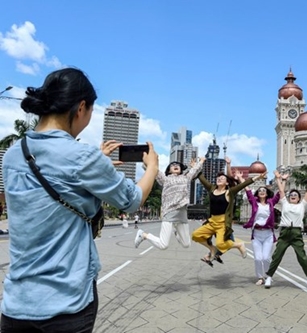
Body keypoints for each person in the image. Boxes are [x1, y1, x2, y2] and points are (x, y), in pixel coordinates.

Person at [0, 68, 159, 332]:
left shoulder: (13, 154)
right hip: (66, 304)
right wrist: (151, 167)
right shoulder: (82, 158)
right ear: (81, 107)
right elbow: (131, 200)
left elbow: (56, 184)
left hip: (16, 304)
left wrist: (97, 163)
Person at [192, 169, 267, 266]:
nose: (219, 179)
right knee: (195, 235)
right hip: (211, 222)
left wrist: (257, 177)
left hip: (222, 223)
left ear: (227, 183)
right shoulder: (211, 189)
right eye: (218, 178)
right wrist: (195, 167)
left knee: (221, 244)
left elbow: (243, 185)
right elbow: (201, 178)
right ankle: (212, 249)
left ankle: (239, 244)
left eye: (222, 178)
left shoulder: (229, 192)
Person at [264, 172, 307, 291]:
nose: (293, 196)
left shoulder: (302, 205)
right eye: (291, 195)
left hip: (296, 233)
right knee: (277, 256)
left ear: (299, 198)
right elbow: (281, 190)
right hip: (284, 232)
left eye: (295, 195)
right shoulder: (285, 203)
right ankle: (269, 276)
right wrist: (280, 179)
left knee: (302, 257)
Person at [134, 158, 205, 250]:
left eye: (177, 165)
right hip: (170, 212)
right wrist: (146, 160)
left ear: (181, 169)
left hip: (182, 213)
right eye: (172, 165)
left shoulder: (185, 177)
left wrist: (201, 161)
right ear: (168, 170)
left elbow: (195, 170)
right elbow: (153, 170)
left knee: (186, 244)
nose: (175, 166)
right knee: (163, 245)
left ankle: (176, 232)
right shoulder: (165, 179)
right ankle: (143, 235)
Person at [241, 170, 282, 285]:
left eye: (264, 190)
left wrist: (280, 179)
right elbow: (247, 190)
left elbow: (280, 193)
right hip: (257, 234)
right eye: (260, 191)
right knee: (258, 258)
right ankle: (260, 277)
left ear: (267, 193)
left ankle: (268, 276)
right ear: (257, 193)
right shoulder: (254, 203)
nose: (262, 192)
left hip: (268, 234)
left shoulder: (271, 203)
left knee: (266, 258)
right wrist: (240, 178)